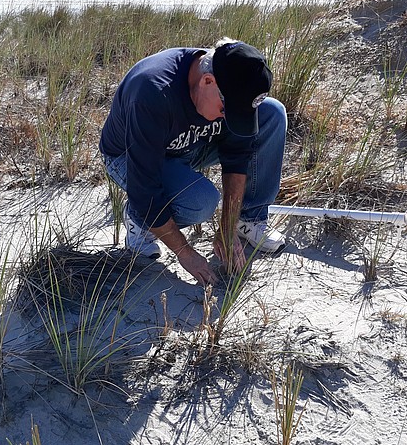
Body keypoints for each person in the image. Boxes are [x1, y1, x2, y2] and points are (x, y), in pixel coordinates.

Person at [99, 38, 287, 286]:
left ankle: (249, 219)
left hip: (189, 145)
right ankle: (139, 220)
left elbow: (237, 157)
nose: (227, 116)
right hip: (129, 156)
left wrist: (228, 226)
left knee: (272, 113)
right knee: (200, 202)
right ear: (208, 81)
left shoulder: (228, 81)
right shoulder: (152, 92)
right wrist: (185, 253)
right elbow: (145, 186)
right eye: (226, 109)